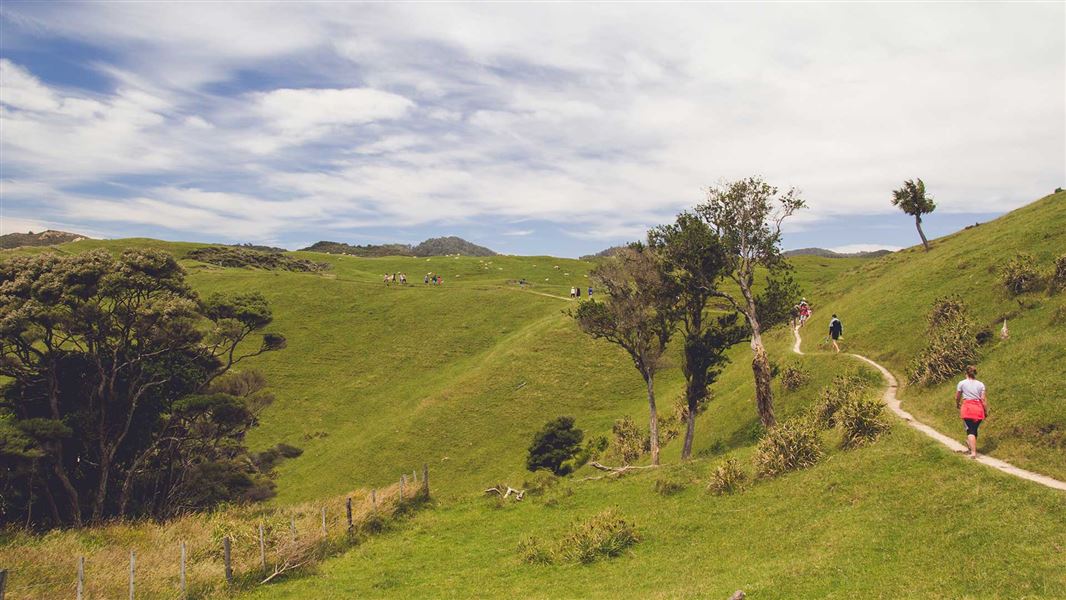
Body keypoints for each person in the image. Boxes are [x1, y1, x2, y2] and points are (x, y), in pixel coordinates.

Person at [955, 365, 988, 459]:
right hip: (978, 408)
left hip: (968, 408)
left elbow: (957, 396)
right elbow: (983, 399)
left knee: (970, 430)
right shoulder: (981, 384)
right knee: (974, 429)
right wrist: (985, 411)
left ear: (966, 373)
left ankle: (973, 452)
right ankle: (970, 444)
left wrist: (957, 404)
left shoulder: (962, 383)